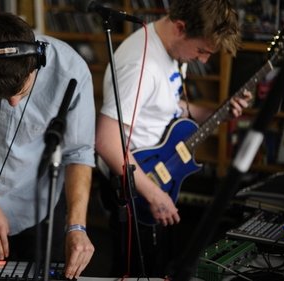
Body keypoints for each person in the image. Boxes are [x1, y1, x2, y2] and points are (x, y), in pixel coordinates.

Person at [95, 0, 253, 277]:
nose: (203, 59)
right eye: (202, 50)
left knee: (163, 264)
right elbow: (106, 141)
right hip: (135, 182)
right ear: (181, 28)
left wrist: (218, 112)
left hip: (160, 171)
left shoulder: (173, 50)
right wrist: (153, 194)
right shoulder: (140, 64)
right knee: (136, 270)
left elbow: (168, 105)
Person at [0, 13, 96, 279]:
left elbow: (78, 152)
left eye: (21, 92)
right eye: (0, 95)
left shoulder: (72, 71)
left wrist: (76, 226)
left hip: (40, 206)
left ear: (38, 61)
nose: (13, 103)